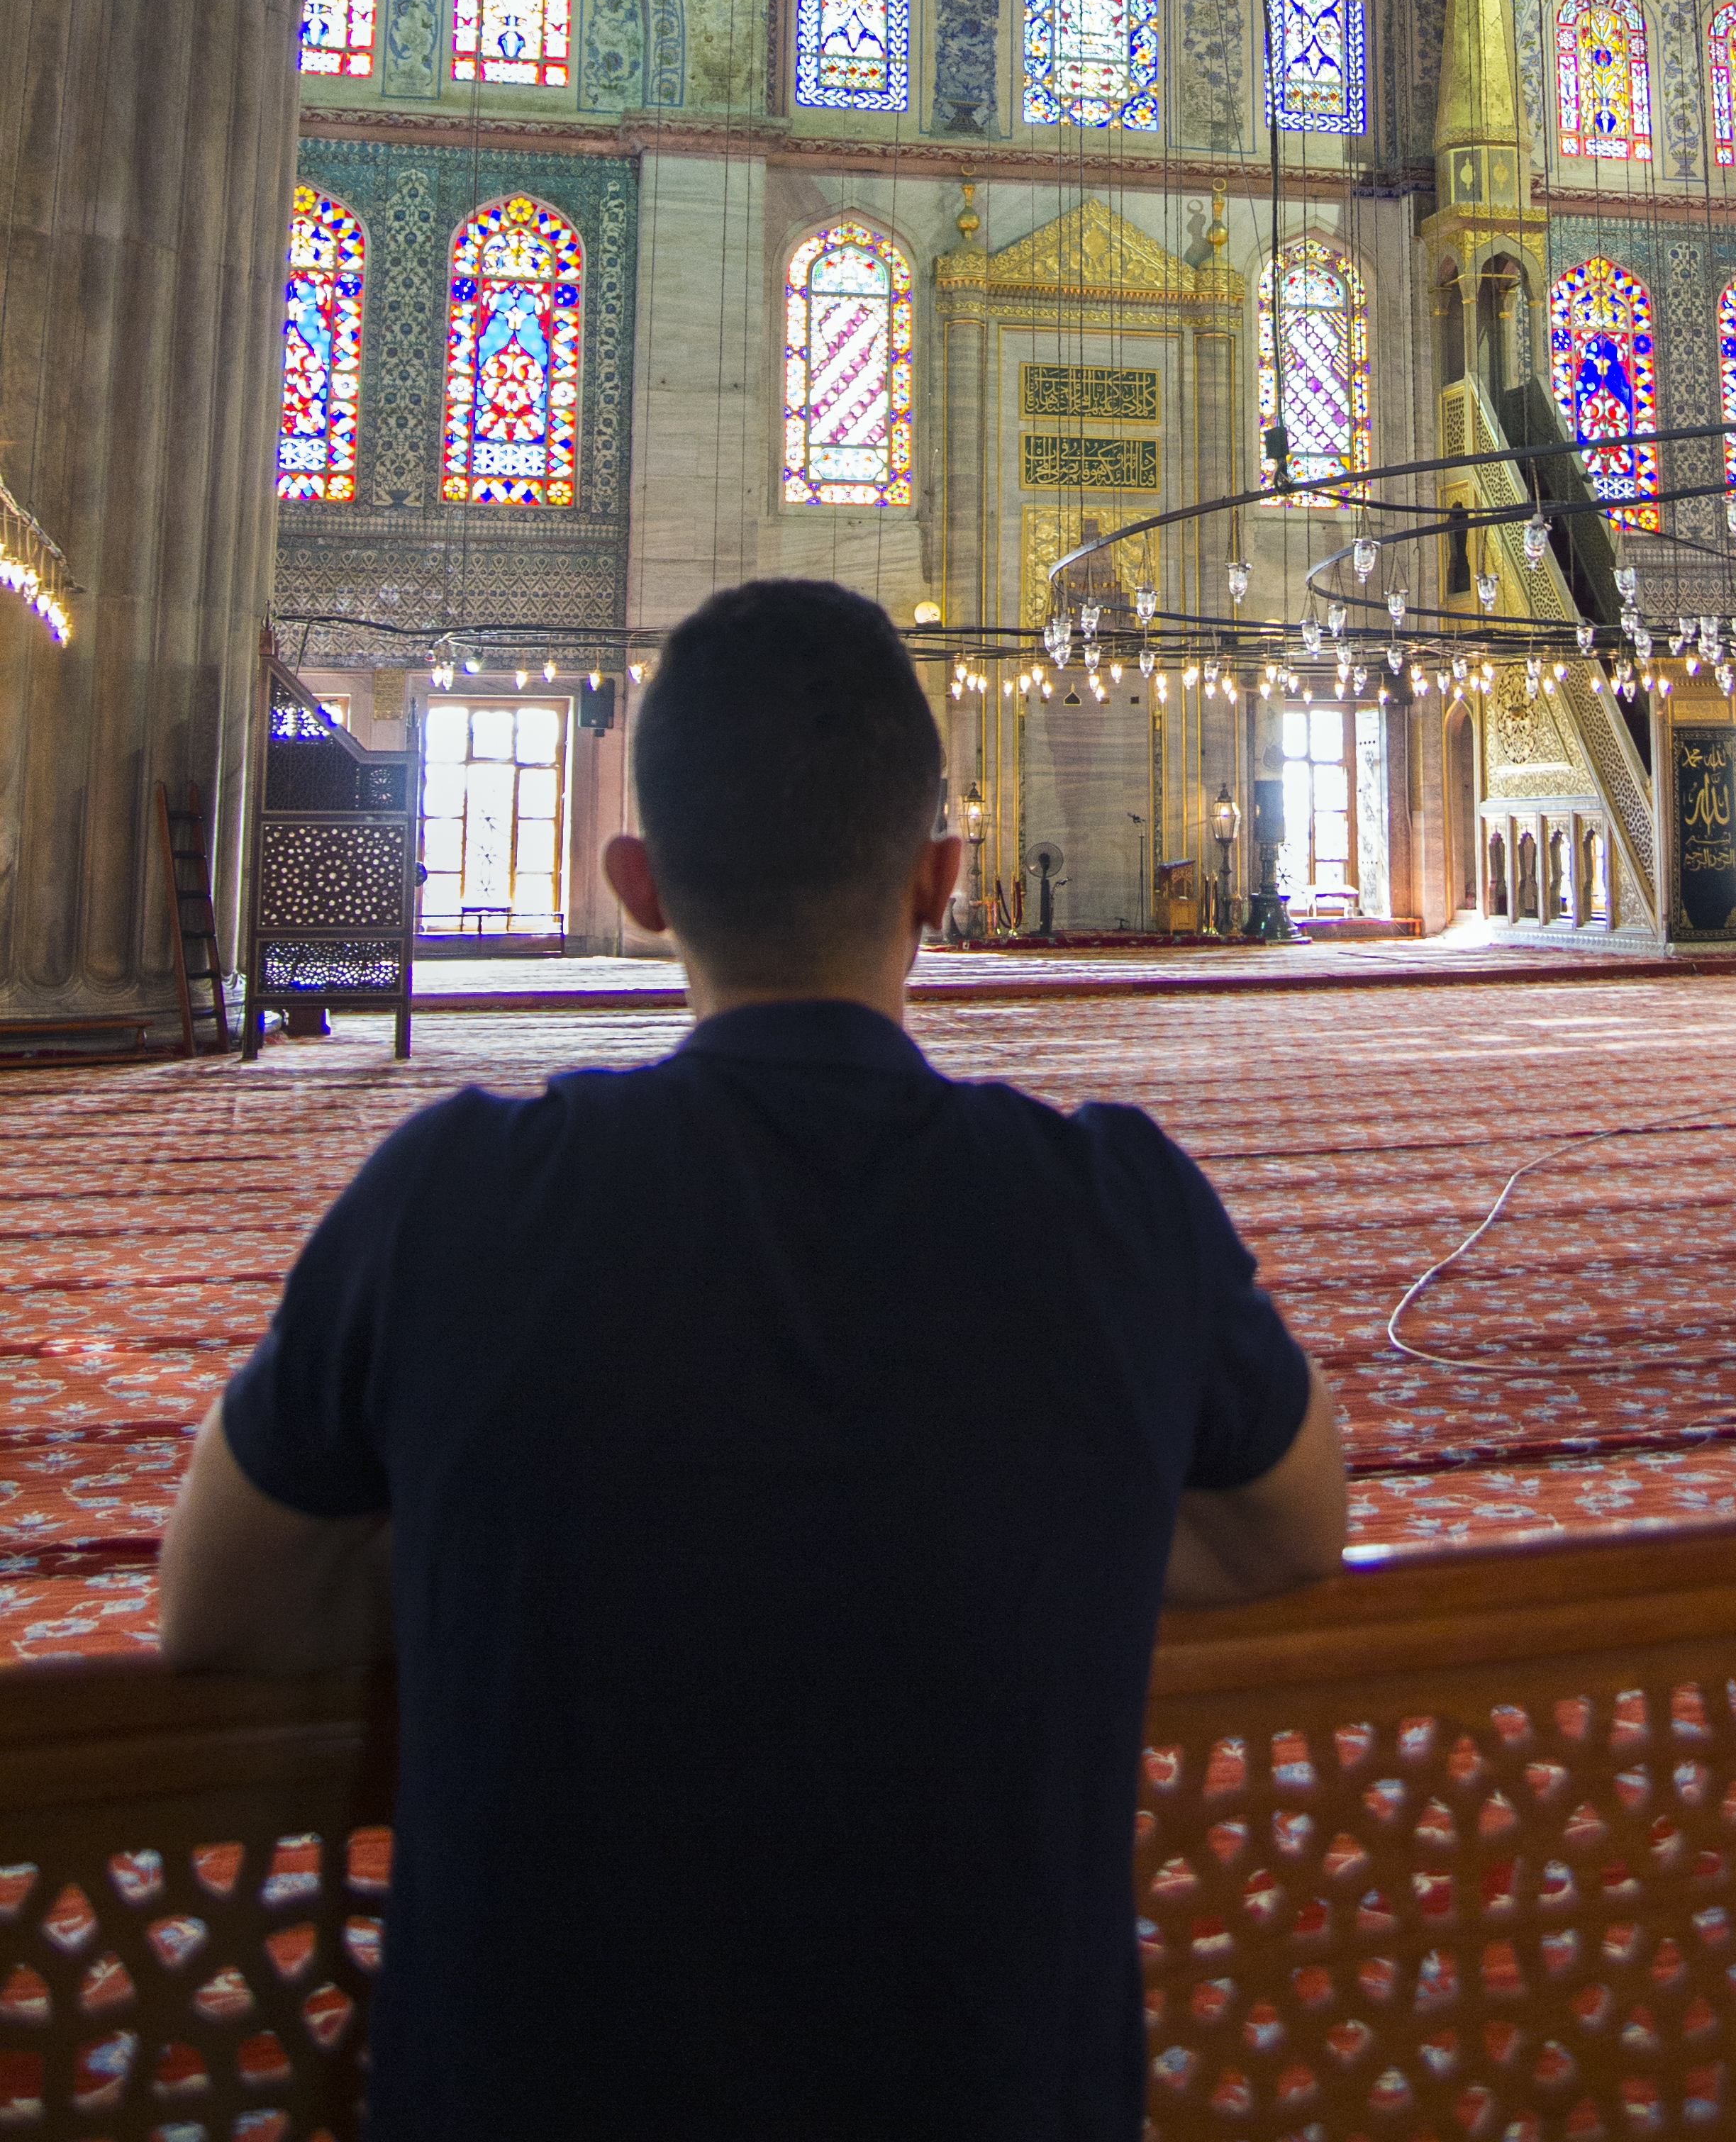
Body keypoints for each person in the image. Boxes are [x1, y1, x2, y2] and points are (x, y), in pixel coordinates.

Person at [159, 578, 1347, 2138]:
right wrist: (1006, 1520)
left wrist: (543, 1532)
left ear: (641, 885)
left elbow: (214, 1602)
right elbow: (1294, 1523)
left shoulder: (449, 1205)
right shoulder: (1116, 1210)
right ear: (939, 875)